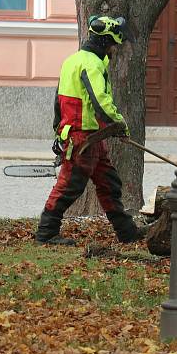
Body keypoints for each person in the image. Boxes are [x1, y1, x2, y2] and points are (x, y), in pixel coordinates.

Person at [34, 15, 141, 246]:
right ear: (105, 41)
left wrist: (57, 128)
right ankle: (46, 232)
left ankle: (127, 232)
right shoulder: (91, 64)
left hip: (92, 137)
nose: (114, 50)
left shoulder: (72, 60)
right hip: (82, 136)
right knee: (69, 185)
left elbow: (57, 100)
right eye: (114, 45)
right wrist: (120, 125)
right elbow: (101, 102)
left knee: (109, 183)